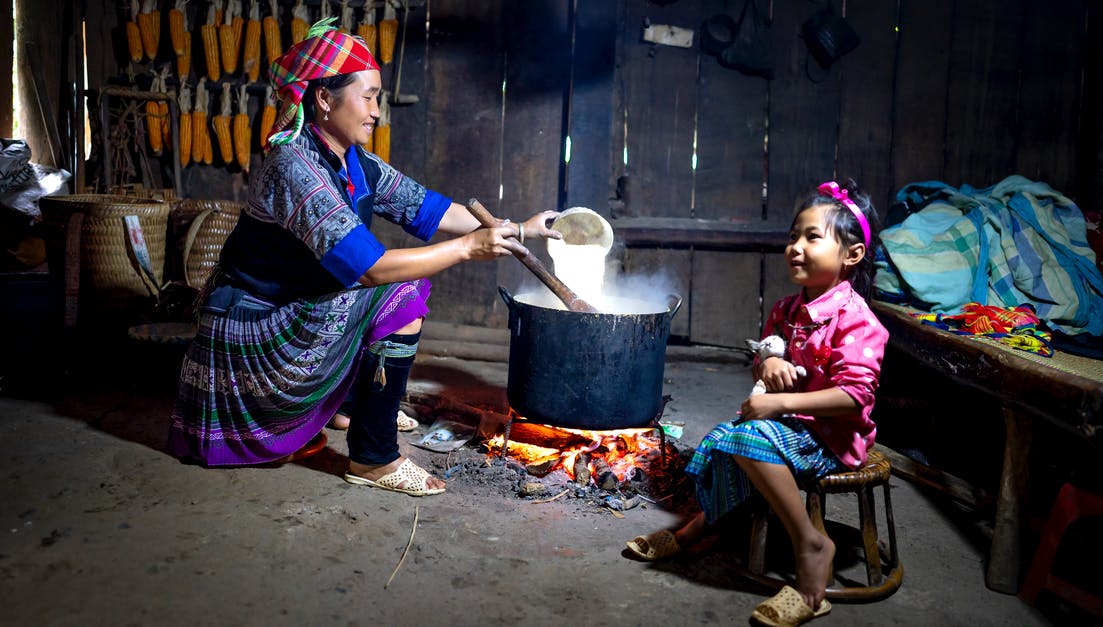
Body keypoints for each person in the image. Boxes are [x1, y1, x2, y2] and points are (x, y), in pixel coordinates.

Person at [166, 17, 560, 497]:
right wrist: (466, 249)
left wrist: (522, 229)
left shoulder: (354, 159)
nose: (377, 111)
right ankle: (374, 458)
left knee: (376, 291)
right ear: (325, 99)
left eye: (378, 97)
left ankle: (348, 403)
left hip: (297, 308)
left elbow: (430, 211)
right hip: (256, 329)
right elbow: (371, 268)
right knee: (400, 294)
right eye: (368, 96)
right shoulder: (296, 166)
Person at [624, 180, 887, 627]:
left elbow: (854, 397)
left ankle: (811, 548)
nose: (796, 247)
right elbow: (763, 359)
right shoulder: (786, 310)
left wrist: (781, 403)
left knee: (748, 438)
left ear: (852, 255)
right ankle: (701, 529)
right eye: (792, 236)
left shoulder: (857, 320)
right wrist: (766, 364)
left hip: (829, 438)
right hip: (792, 426)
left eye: (812, 237)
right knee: (724, 438)